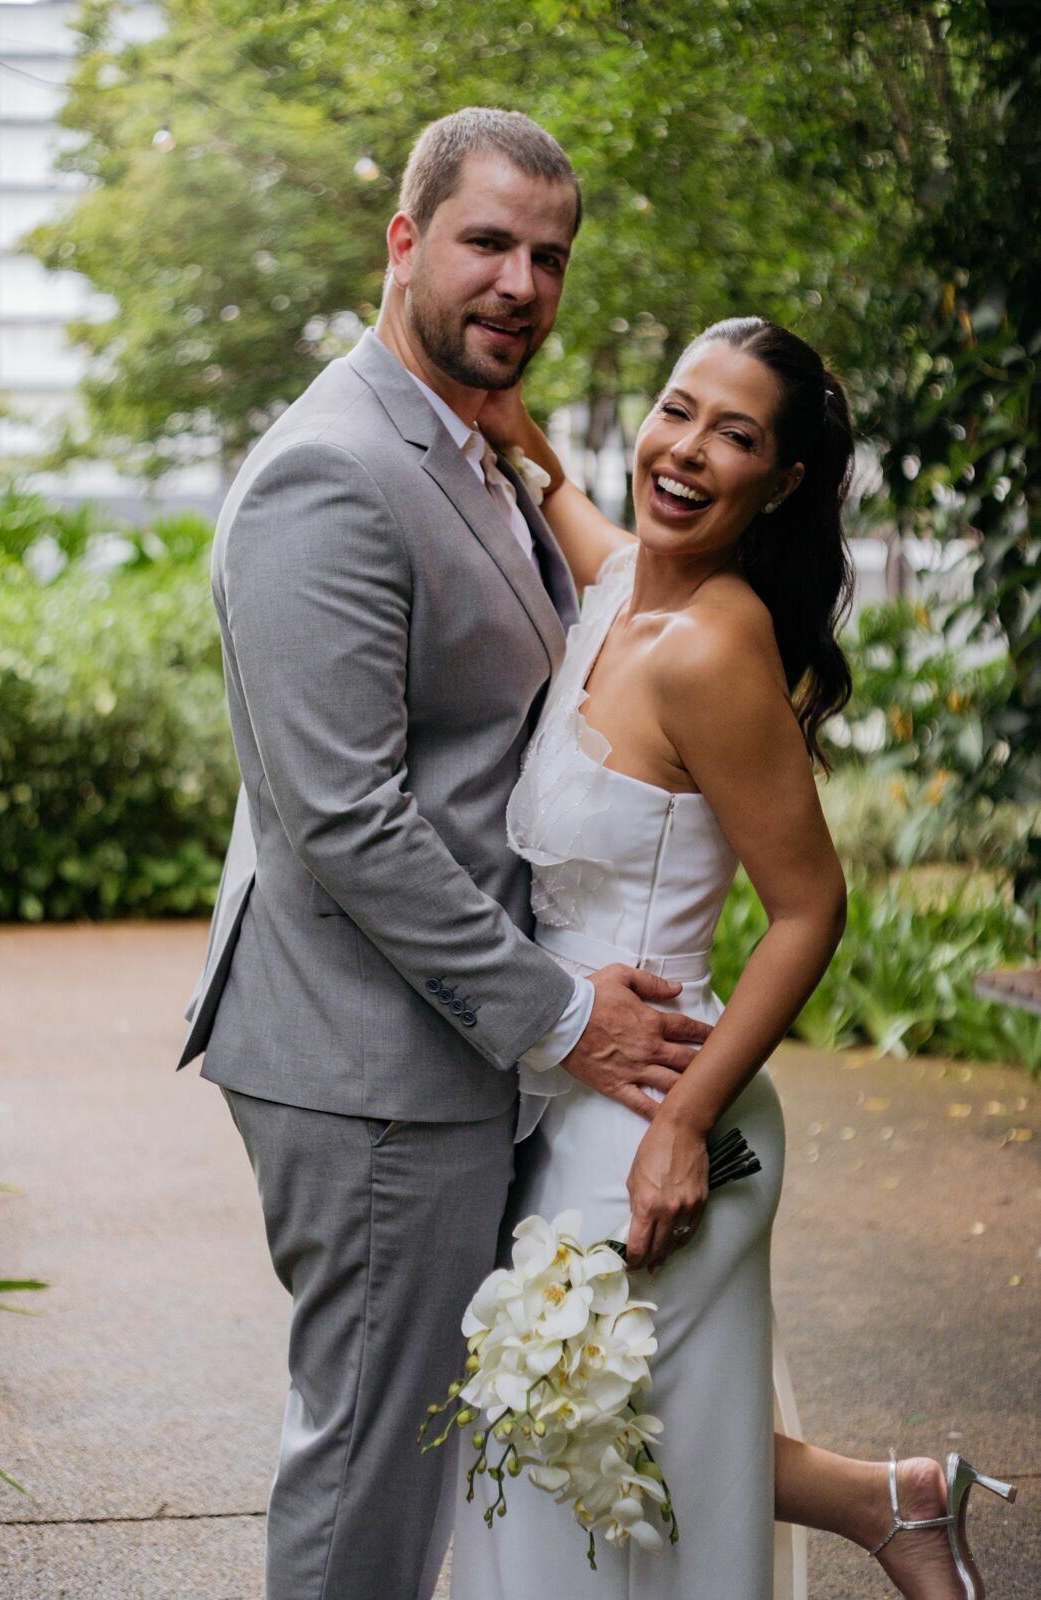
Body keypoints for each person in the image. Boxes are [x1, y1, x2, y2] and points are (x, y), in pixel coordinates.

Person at [176, 109, 710, 1600]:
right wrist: (559, 1011)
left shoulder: (467, 441)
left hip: (441, 1045)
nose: (521, 282)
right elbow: (341, 819)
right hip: (366, 1067)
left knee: (430, 1451)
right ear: (403, 243)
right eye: (486, 241)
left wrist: (539, 467)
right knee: (372, 1470)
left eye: (547, 255)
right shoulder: (326, 476)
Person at [450, 316, 1016, 1599]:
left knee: (579, 1477)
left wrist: (680, 1128)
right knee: (597, 1457)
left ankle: (896, 1505)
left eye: (735, 435)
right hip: (566, 1090)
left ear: (782, 481)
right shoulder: (615, 598)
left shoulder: (711, 643)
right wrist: (524, 442)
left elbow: (812, 908)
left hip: (659, 1111)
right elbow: (588, 530)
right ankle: (897, 1502)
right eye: (675, 410)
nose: (686, 450)